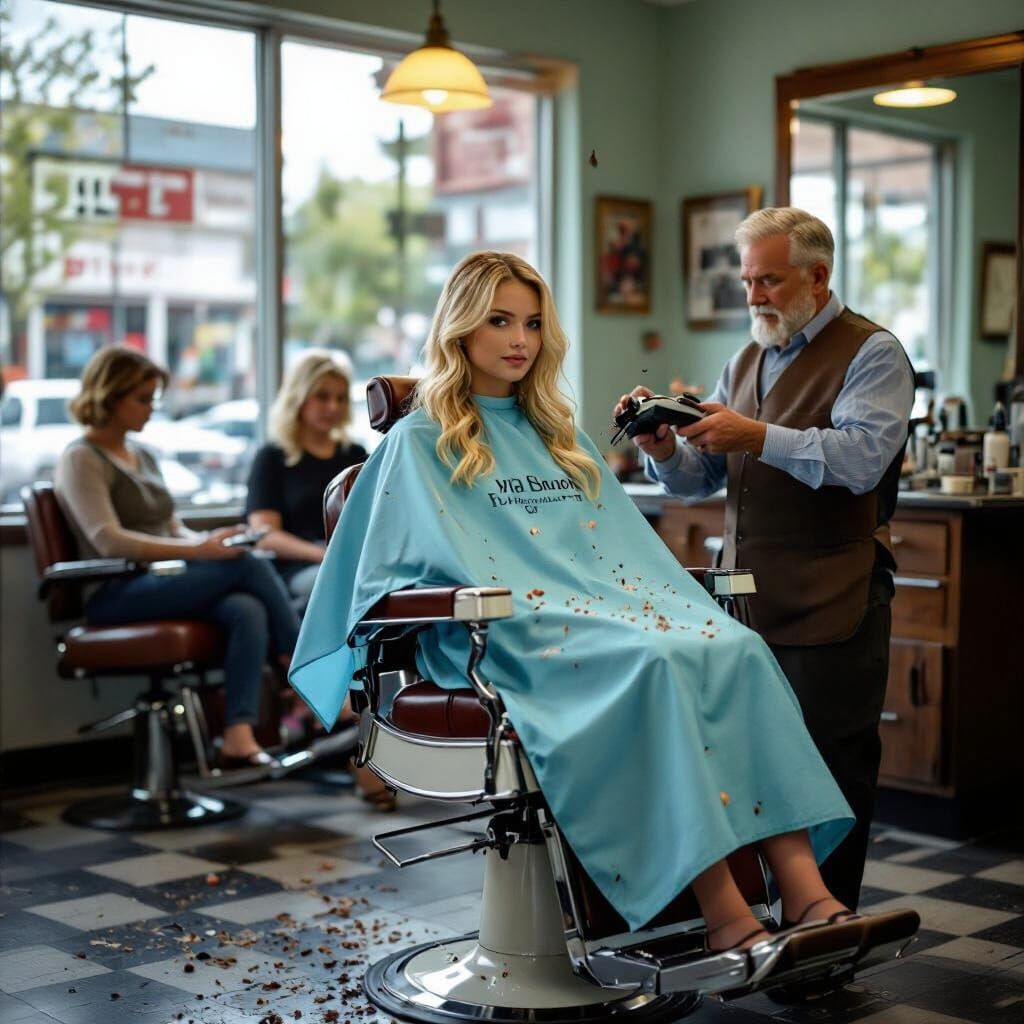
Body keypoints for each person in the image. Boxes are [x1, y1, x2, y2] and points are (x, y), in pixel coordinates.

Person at [289, 251, 883, 949]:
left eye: (533, 323)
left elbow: (614, 550)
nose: (519, 340)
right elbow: (374, 574)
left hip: (600, 615)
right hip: (502, 633)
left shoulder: (559, 435)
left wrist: (626, 603)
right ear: (460, 329)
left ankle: (808, 896)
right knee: (655, 662)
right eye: (500, 321)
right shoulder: (419, 444)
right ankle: (726, 917)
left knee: (738, 649)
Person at [617, 207, 914, 913]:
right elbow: (704, 478)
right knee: (755, 767)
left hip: (834, 598)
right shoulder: (746, 358)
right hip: (747, 606)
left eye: (769, 281)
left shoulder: (873, 352)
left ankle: (823, 935)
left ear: (818, 275)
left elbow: (862, 460)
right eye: (749, 281)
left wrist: (757, 434)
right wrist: (665, 449)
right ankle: (774, 917)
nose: (753, 296)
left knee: (831, 771)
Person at [54, 345, 301, 770]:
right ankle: (300, 677)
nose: (152, 408)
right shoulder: (81, 458)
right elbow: (110, 541)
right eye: (143, 399)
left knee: (245, 606)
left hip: (164, 581)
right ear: (110, 397)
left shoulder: (143, 455)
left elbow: (172, 529)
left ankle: (238, 735)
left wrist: (214, 541)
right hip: (115, 591)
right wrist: (199, 551)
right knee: (249, 564)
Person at [245, 349, 367, 615]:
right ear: (299, 398)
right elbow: (265, 535)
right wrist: (325, 556)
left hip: (352, 563)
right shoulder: (272, 458)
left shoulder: (356, 456)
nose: (333, 407)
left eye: (340, 398)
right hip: (298, 569)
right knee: (343, 587)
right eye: (322, 397)